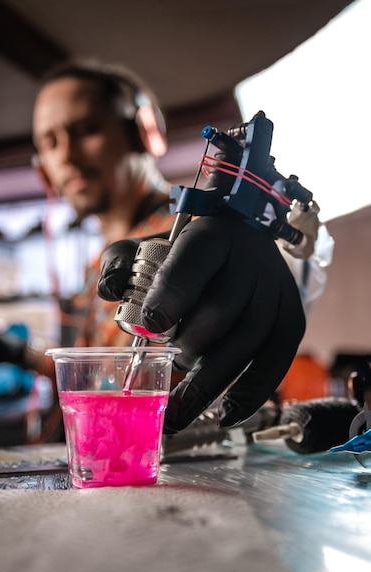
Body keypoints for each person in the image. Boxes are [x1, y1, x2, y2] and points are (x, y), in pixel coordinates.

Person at [32, 59, 311, 436]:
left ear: (144, 133)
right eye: (49, 142)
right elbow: (97, 373)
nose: (66, 155)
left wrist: (255, 246)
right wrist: (18, 354)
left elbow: (271, 273)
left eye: (86, 130)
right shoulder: (97, 264)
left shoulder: (200, 235)